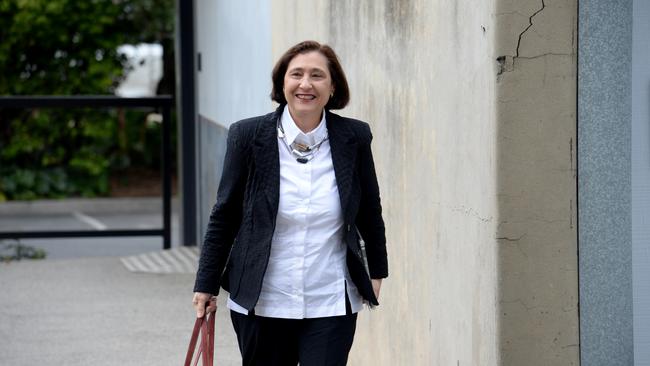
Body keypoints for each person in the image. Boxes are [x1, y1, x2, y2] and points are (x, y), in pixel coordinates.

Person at [192, 40, 388, 366]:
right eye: (296, 74)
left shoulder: (354, 137)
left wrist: (377, 270)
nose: (306, 84)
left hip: (330, 300)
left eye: (317, 75)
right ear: (282, 82)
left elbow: (370, 208)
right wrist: (206, 284)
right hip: (261, 300)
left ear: (333, 85)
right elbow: (224, 214)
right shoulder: (247, 136)